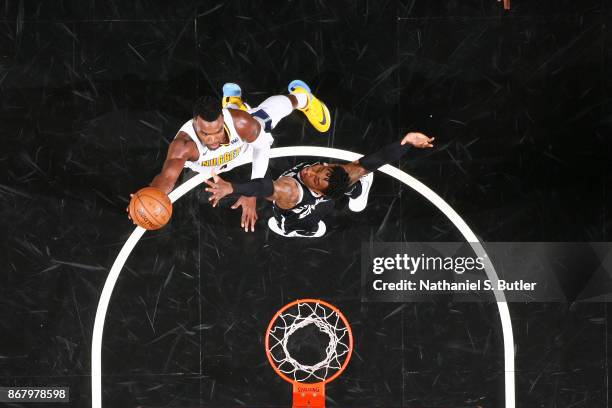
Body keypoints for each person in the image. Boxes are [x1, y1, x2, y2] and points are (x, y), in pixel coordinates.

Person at [127, 80, 330, 232]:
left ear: (222, 118)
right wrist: (149, 199)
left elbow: (261, 149)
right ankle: (233, 102)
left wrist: (251, 192)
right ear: (195, 123)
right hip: (214, 166)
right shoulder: (184, 146)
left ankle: (303, 97)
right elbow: (167, 179)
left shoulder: (241, 124)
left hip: (244, 149)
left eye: (217, 132)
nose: (214, 139)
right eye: (206, 134)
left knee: (265, 119)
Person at [203, 132, 435, 237]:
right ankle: (357, 189)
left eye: (314, 178)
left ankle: (304, 230)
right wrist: (407, 142)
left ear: (317, 189)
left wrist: (232, 188)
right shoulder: (340, 173)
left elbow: (264, 187)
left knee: (291, 227)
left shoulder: (290, 191)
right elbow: (379, 158)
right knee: (358, 172)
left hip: (298, 212)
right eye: (319, 169)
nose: (310, 171)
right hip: (331, 192)